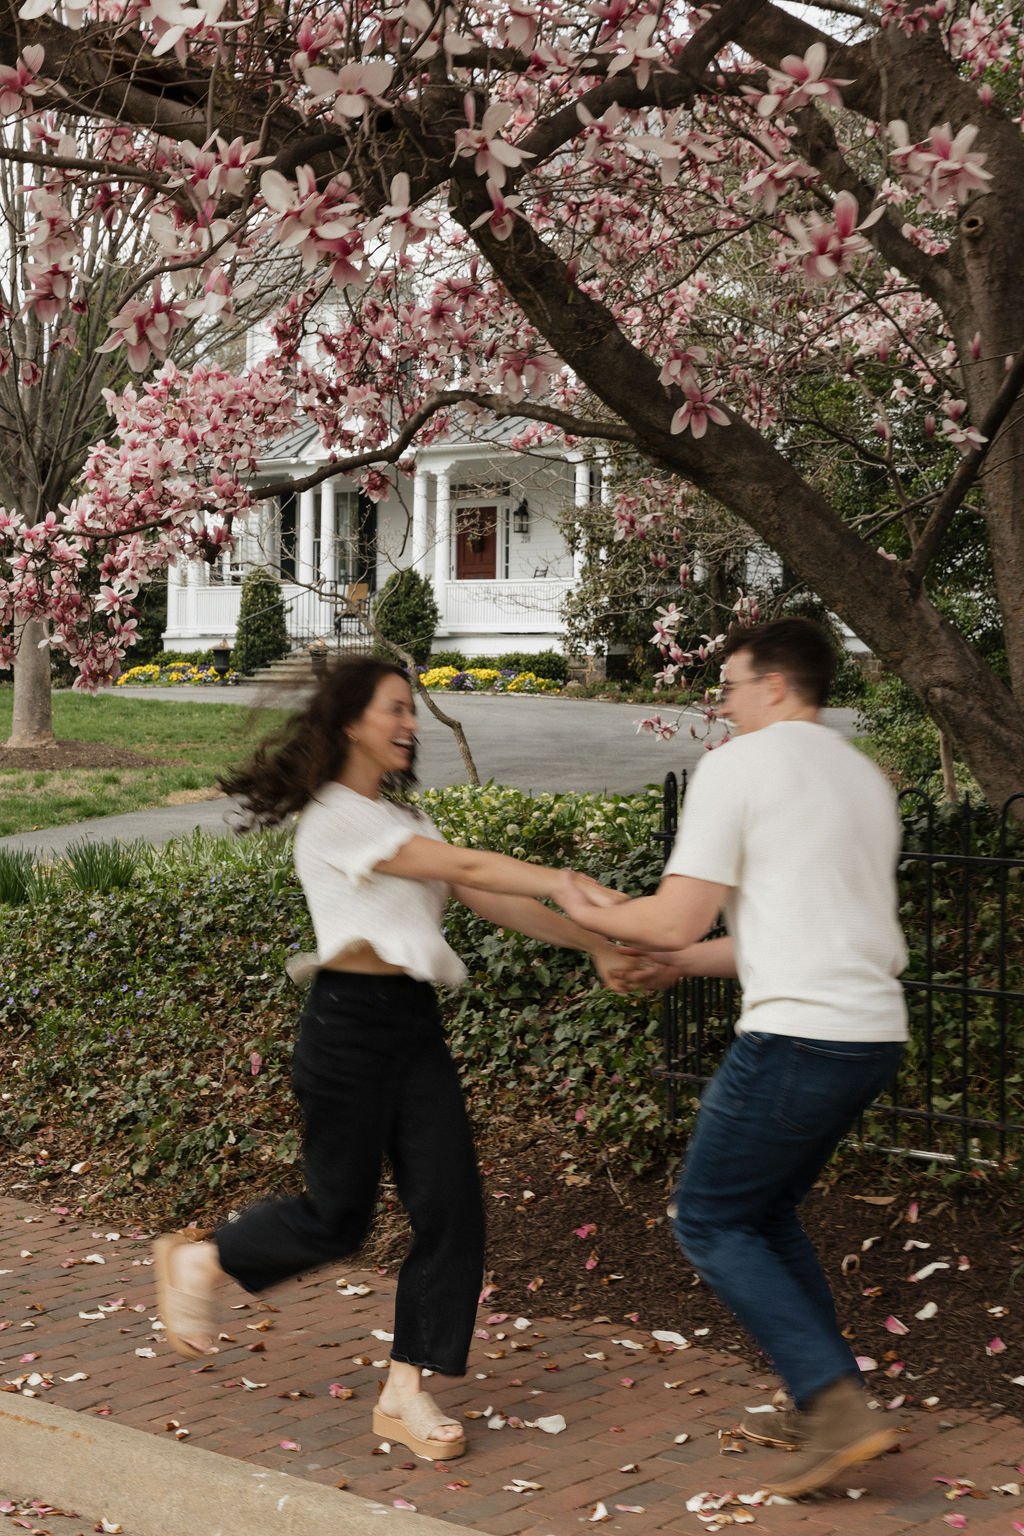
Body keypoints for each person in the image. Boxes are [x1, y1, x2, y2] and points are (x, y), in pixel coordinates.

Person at [154, 655, 630, 1463]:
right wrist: (569, 878)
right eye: (395, 710)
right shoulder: (337, 817)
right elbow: (471, 868)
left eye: (414, 711)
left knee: (453, 1210)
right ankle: (204, 1257)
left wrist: (596, 945)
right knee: (337, 1220)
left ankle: (405, 1389)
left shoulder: (403, 821)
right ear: (350, 724)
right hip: (345, 1032)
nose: (410, 725)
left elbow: (486, 896)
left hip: (411, 1028)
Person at [555, 618, 907, 1498]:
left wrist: (577, 903)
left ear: (778, 686)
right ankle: (823, 1399)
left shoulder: (741, 767)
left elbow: (673, 916)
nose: (723, 705)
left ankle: (835, 1408)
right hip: (867, 1035)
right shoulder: (861, 779)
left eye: (733, 686)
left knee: (709, 1217)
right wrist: (675, 964)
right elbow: (769, 938)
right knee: (766, 1213)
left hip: (796, 1036)